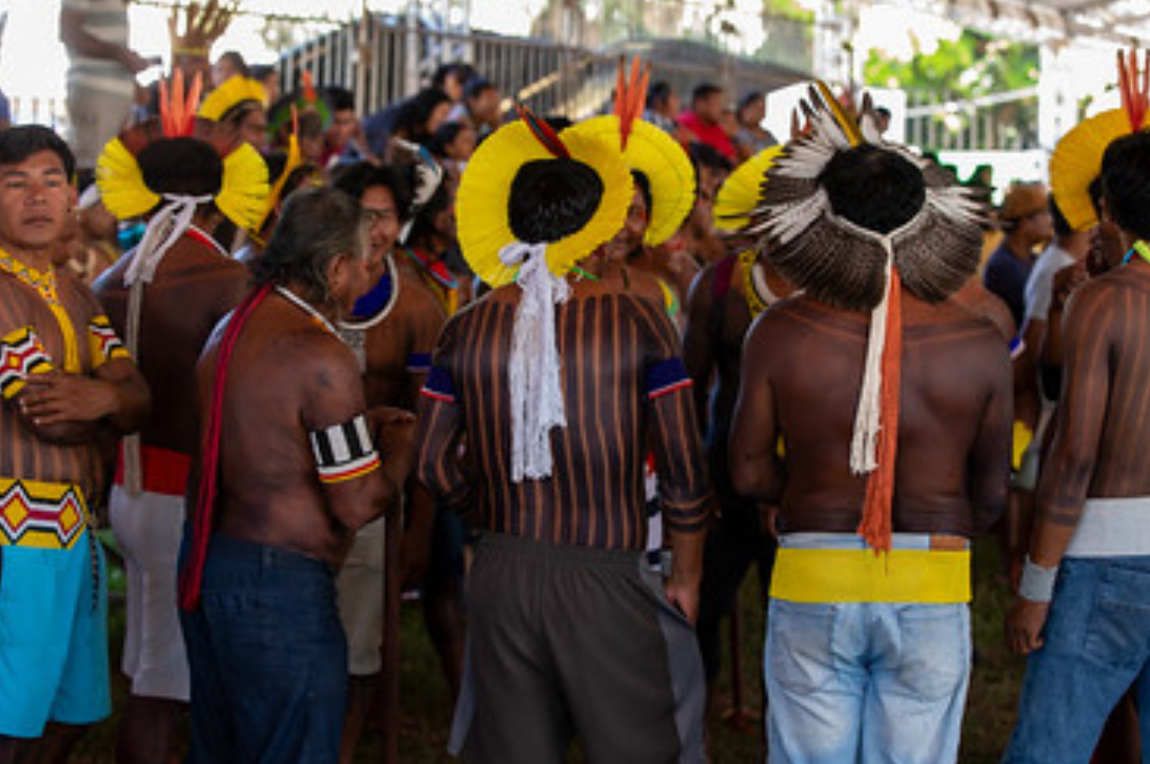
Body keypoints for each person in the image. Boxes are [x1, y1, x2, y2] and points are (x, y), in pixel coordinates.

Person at [417, 111, 711, 763]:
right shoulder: (640, 322)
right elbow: (686, 470)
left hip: (502, 570)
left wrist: (488, 512)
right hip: (610, 572)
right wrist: (686, 574)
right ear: (597, 229)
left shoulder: (464, 327)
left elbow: (433, 466)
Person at [729, 91, 1011, 764]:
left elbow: (746, 472)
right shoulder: (980, 340)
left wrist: (793, 491)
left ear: (820, 219)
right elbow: (993, 496)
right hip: (933, 582)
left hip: (811, 573)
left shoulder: (781, 330)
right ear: (927, 220)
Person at [177, 187, 415, 764]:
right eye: (365, 262)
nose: (368, 275)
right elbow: (356, 504)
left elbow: (278, 436)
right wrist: (403, 449)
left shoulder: (234, 325)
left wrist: (361, 429)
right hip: (275, 587)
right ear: (335, 268)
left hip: (212, 563)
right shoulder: (319, 354)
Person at [91, 94, 267, 764]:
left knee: (147, 667)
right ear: (218, 203)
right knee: (163, 687)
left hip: (128, 495)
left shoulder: (112, 279)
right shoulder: (226, 280)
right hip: (183, 503)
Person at [0, 125, 149, 763]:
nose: (36, 196)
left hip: (73, 530)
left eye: (51, 180)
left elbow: (139, 396)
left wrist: (111, 399)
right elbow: (49, 416)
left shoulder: (78, 293)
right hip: (13, 532)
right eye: (14, 183)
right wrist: (111, 402)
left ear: (70, 196)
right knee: (13, 716)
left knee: (72, 710)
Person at [1001, 129, 1150, 764]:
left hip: (1106, 558)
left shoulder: (1107, 302)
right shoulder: (1102, 294)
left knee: (1048, 751)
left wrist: (1036, 582)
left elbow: (1074, 459)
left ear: (1107, 211)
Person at [331, 161, 447, 762]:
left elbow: (425, 426)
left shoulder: (419, 306)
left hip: (375, 494)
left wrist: (419, 527)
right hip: (300, 495)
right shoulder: (306, 289)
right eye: (365, 214)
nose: (376, 230)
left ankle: (345, 748)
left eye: (388, 216)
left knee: (359, 646)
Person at [59, 0, 156, 183]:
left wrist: (133, 84)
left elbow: (115, 52)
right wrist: (122, 55)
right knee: (91, 167)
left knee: (113, 167)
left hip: (115, 94)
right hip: (94, 90)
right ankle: (82, 211)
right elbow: (69, 34)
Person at [984, 181, 1053, 329]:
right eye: (1045, 212)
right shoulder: (1003, 267)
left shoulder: (1029, 259)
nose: (1051, 220)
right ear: (1025, 220)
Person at [679, 83, 735, 162]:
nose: (721, 109)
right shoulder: (683, 125)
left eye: (722, 104)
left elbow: (731, 159)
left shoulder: (717, 129)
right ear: (700, 104)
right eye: (717, 104)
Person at [732, 92, 777, 162]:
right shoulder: (738, 133)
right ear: (743, 109)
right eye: (756, 107)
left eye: (762, 108)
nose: (760, 112)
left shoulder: (768, 135)